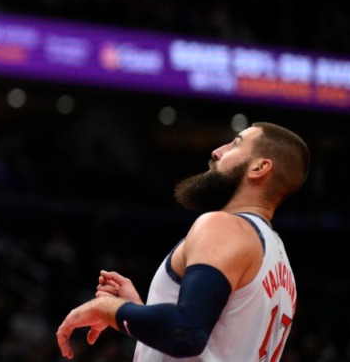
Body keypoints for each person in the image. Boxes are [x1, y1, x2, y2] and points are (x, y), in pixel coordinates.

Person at [56, 122, 309, 361]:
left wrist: (107, 309)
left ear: (258, 168)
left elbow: (185, 334)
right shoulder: (282, 267)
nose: (217, 151)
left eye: (234, 144)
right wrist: (137, 309)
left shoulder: (225, 226)